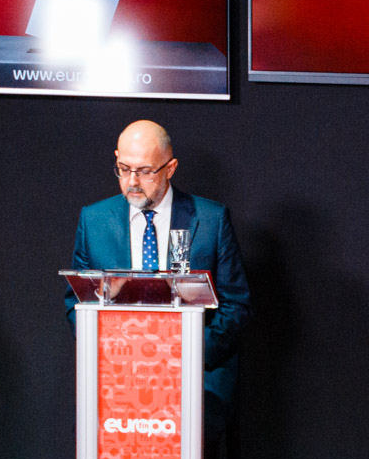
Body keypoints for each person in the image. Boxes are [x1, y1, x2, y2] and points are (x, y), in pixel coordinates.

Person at [67, 121, 252, 423]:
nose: (132, 181)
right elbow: (76, 304)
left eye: (145, 171)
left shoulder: (211, 220)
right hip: (118, 373)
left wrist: (185, 354)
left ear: (170, 168)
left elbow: (235, 306)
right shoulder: (94, 220)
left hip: (194, 373)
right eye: (123, 169)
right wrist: (114, 355)